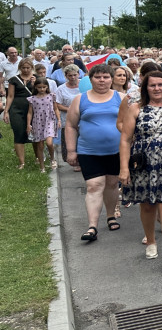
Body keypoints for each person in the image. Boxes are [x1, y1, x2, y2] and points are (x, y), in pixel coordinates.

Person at [119, 71, 162, 273]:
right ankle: (150, 240)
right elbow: (125, 139)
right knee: (148, 205)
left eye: (161, 85)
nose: (157, 88)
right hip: (143, 165)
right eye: (152, 85)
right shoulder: (135, 109)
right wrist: (124, 168)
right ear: (145, 88)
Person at [65, 64, 123, 241]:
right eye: (98, 77)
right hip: (89, 151)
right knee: (93, 186)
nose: (102, 80)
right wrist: (71, 150)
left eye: (106, 77)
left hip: (116, 151)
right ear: (90, 80)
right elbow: (70, 125)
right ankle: (92, 226)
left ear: (111, 79)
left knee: (112, 184)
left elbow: (130, 124)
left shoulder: (121, 98)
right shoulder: (80, 99)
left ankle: (111, 216)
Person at [3, 58, 36, 169]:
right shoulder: (14, 79)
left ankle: (38, 157)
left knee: (35, 133)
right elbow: (10, 96)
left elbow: (41, 93)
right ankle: (22, 162)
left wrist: (34, 83)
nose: (26, 70)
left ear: (31, 67)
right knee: (18, 132)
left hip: (33, 109)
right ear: (19, 68)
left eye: (28, 68)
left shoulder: (36, 78)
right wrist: (6, 111)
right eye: (23, 68)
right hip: (17, 108)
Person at [26, 77, 60, 171]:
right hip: (37, 122)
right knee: (39, 145)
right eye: (39, 87)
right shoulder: (32, 99)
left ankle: (52, 159)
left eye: (44, 87)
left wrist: (59, 119)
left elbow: (56, 108)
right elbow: (30, 112)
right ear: (35, 87)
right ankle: (42, 167)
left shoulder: (51, 96)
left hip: (49, 120)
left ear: (47, 87)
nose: (42, 89)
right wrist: (28, 124)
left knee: (49, 143)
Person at [55, 64, 82, 168]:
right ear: (66, 76)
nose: (73, 77)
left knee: (81, 140)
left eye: (75, 75)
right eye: (70, 75)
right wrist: (70, 109)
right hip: (68, 118)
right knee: (71, 140)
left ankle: (82, 161)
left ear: (78, 74)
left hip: (82, 117)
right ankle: (75, 162)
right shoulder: (61, 89)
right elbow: (57, 104)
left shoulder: (84, 85)